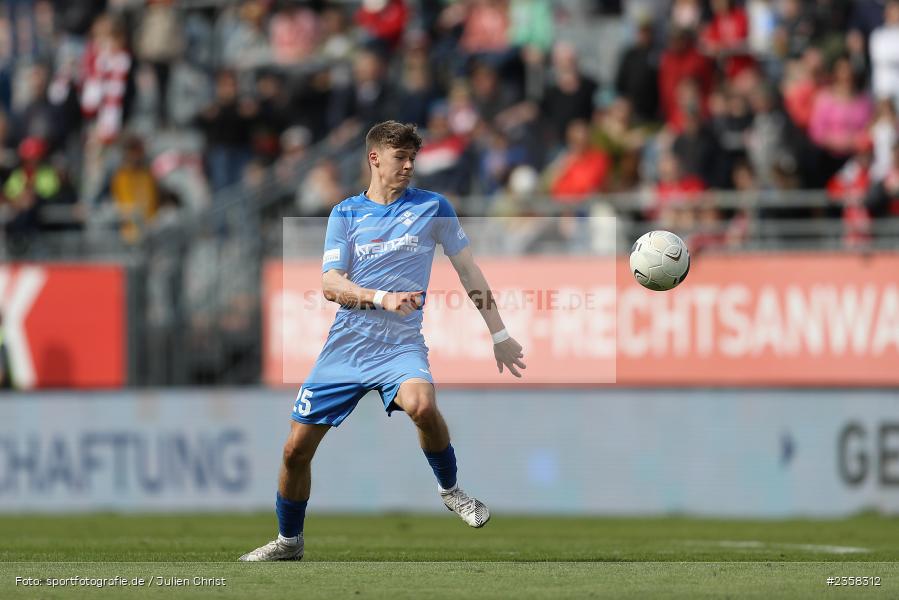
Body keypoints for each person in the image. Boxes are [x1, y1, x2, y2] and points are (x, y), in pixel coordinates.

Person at [239, 121, 526, 562]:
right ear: (375, 158)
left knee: (423, 406)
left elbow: (470, 272)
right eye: (400, 158)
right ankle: (288, 542)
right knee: (294, 451)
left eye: (413, 158)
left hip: (400, 349)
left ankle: (451, 490)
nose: (409, 166)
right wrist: (381, 298)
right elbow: (331, 284)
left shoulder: (434, 207)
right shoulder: (345, 213)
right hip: (345, 349)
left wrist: (500, 332)